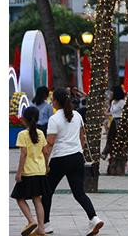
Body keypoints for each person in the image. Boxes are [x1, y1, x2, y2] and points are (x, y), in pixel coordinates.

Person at [42, 88, 104, 235]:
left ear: (56, 101)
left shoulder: (54, 119)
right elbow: (83, 138)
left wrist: (45, 163)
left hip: (60, 159)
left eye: (53, 100)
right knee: (79, 193)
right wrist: (79, 151)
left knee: (47, 191)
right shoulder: (76, 115)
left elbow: (49, 144)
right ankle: (94, 218)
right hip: (77, 157)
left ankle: (46, 224)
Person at [11, 107, 48, 236]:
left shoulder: (22, 134)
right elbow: (46, 152)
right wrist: (46, 166)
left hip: (28, 172)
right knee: (37, 200)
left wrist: (18, 172)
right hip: (40, 171)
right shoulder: (41, 133)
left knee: (19, 197)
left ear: (25, 119)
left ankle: (31, 221)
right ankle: (41, 229)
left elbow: (23, 154)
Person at [102, 86, 126, 160]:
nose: (111, 93)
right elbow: (111, 112)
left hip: (119, 121)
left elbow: (124, 112)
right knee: (109, 137)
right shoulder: (112, 102)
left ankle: (106, 153)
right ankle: (106, 153)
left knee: (114, 138)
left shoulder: (122, 102)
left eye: (112, 91)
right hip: (113, 120)